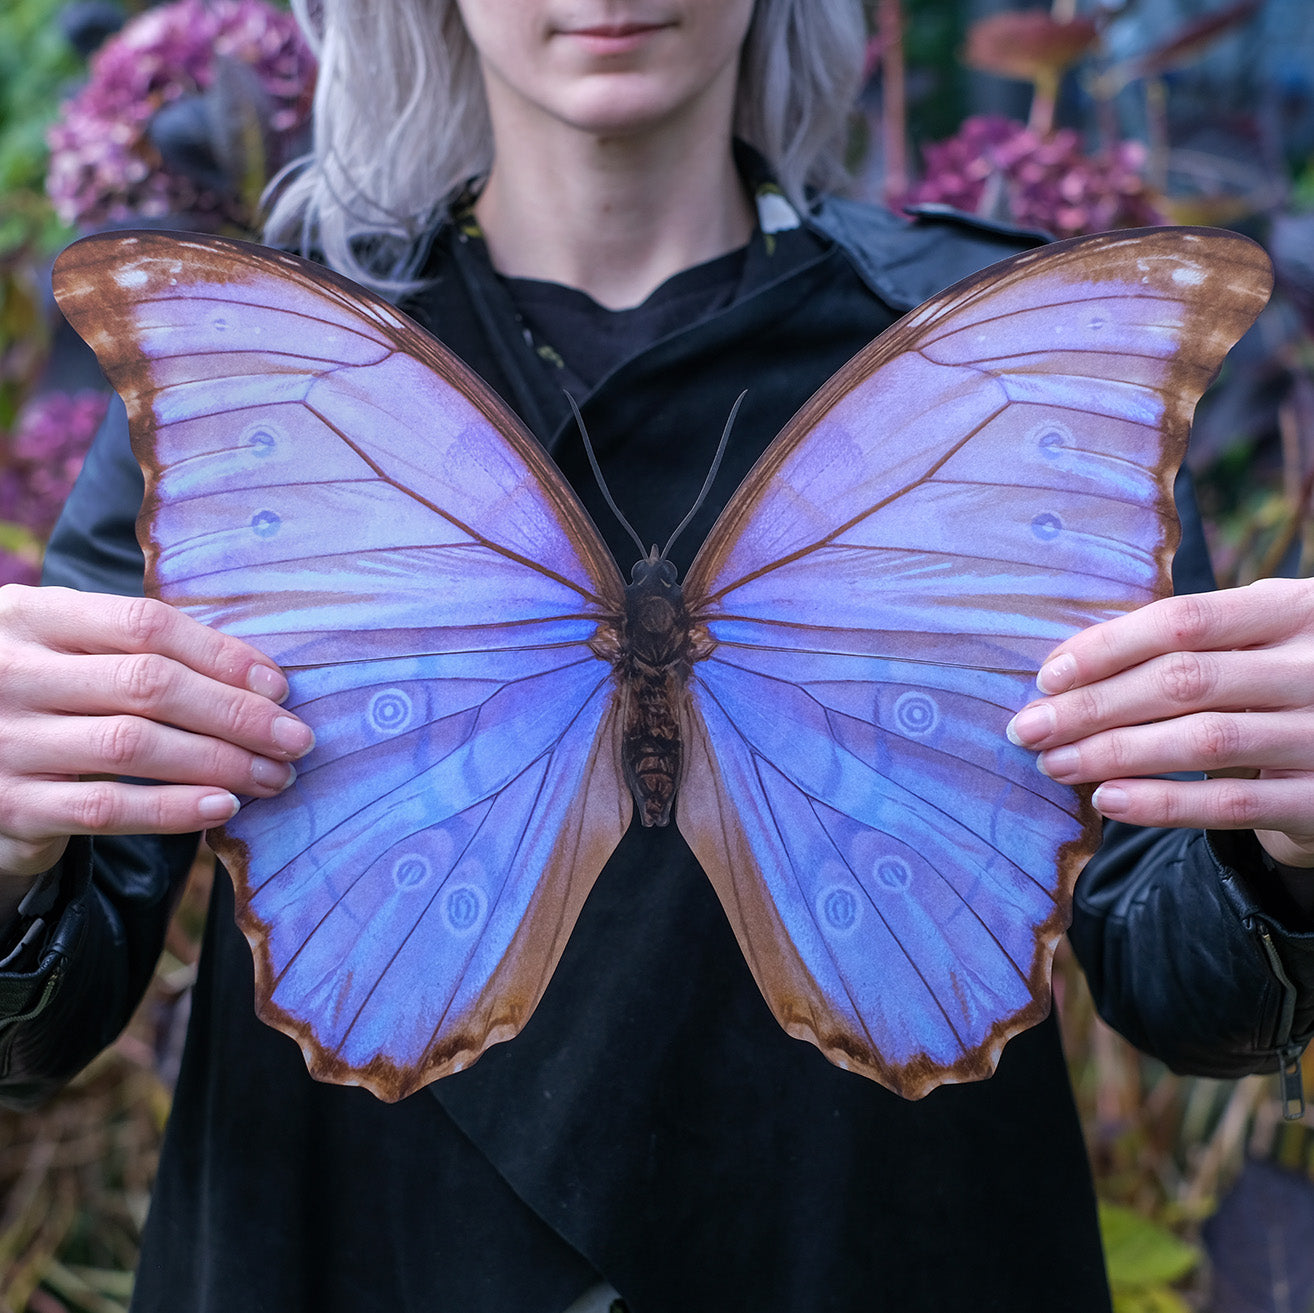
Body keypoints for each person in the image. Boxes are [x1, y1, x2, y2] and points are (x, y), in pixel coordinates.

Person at [3, 2, 1313, 1309]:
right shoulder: (263, 376)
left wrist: (1283, 840)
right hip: (361, 1246)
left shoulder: (995, 360)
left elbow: (1185, 975)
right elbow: (49, 1006)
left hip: (872, 1252)